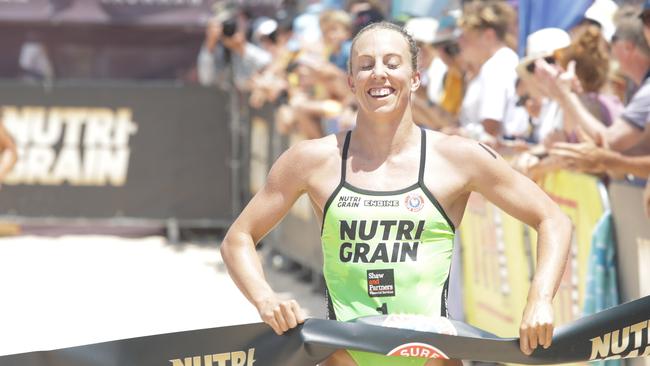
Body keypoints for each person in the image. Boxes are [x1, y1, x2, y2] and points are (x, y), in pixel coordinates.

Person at [220, 21, 572, 366]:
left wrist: (540, 299)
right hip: (345, 357)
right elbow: (239, 237)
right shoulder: (311, 160)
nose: (378, 74)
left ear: (416, 78)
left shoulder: (459, 157)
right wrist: (266, 299)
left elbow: (552, 218)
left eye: (392, 63)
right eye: (365, 65)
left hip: (433, 357)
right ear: (351, 82)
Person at [457, 0, 519, 141]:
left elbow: (490, 128)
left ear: (488, 36)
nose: (460, 43)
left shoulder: (497, 66)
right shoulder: (502, 61)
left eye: (466, 37)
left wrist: (458, 135)